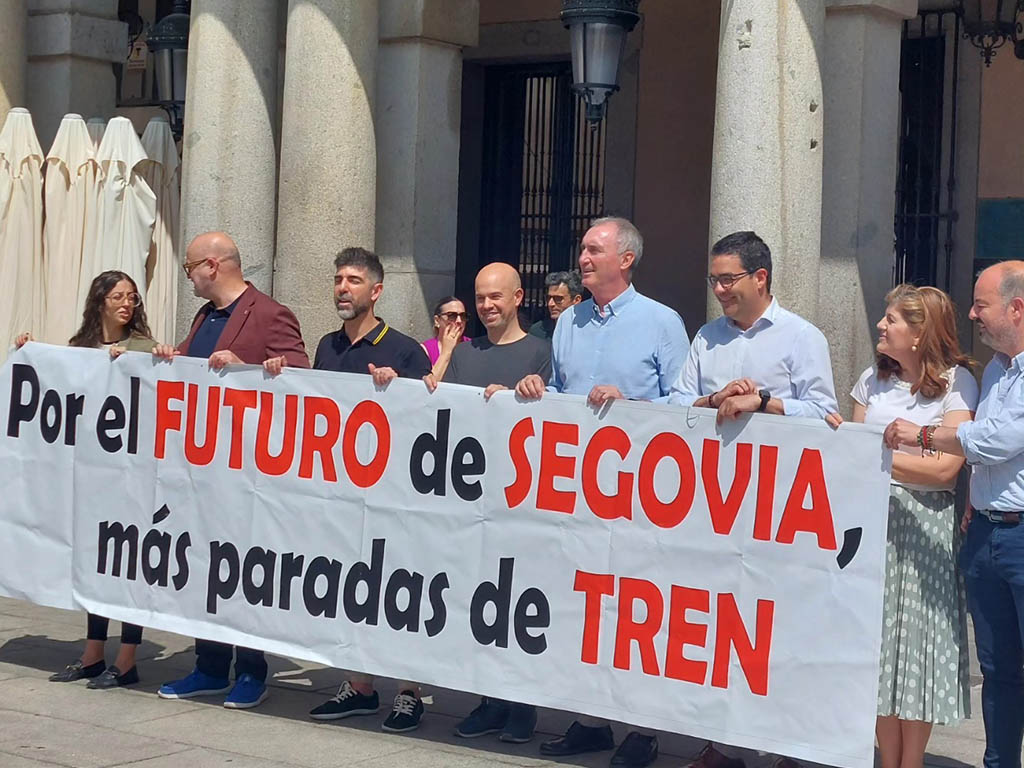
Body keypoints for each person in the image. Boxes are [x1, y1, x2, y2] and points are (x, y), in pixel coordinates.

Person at [515, 216, 689, 768]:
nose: (583, 258)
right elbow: (562, 391)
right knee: (584, 606)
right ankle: (591, 719)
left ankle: (642, 729)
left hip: (640, 496)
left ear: (626, 260)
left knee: (634, 611)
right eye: (583, 249)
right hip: (579, 492)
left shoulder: (662, 322)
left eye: (594, 249)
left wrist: (633, 406)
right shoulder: (569, 321)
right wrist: (538, 389)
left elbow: (686, 405)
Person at [668, 231, 839, 768]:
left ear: (760, 278)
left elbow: (825, 412)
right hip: (714, 504)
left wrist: (764, 402)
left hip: (778, 509)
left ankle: (787, 747)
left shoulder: (801, 337)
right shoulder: (707, 337)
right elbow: (676, 404)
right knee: (722, 627)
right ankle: (725, 743)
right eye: (714, 280)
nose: (719, 290)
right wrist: (714, 398)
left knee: (776, 627)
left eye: (728, 279)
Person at [155, 231, 309, 710]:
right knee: (205, 567)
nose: (188, 277)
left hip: (248, 473)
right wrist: (171, 358)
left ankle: (251, 669)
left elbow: (302, 377)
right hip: (203, 471)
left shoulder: (270, 313)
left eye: (190, 268)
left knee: (242, 571)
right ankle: (209, 664)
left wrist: (248, 368)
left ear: (213, 265)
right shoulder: (205, 316)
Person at [285, 247, 433, 733]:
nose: (342, 288)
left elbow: (429, 420)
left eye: (353, 280)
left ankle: (408, 692)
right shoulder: (327, 346)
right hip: (341, 494)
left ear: (377, 290)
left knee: (397, 591)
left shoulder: (404, 349)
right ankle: (360, 686)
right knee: (350, 588)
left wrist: (398, 387)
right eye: (338, 280)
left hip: (393, 496)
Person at [884, 261, 1024, 768]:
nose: (972, 314)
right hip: (986, 531)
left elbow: (996, 441)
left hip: (1021, 536)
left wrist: (923, 435)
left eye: (981, 305)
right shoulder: (998, 372)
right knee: (999, 669)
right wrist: (974, 497)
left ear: (1016, 308)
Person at [847, 285, 975, 768]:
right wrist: (880, 457)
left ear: (920, 333)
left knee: (916, 645)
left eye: (893, 319)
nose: (881, 325)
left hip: (924, 524)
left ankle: (912, 761)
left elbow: (946, 470)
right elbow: (855, 449)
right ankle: (887, 758)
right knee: (878, 645)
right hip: (874, 520)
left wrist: (882, 458)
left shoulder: (957, 383)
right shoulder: (872, 380)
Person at [423, 262, 550, 745]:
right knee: (479, 603)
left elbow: (554, 415)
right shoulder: (464, 352)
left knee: (520, 603)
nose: (486, 305)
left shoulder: (541, 352)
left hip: (520, 502)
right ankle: (489, 700)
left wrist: (524, 397)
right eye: (480, 297)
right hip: (470, 497)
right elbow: (437, 404)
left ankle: (521, 704)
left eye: (496, 296)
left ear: (517, 297)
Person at [18, 270, 157, 690]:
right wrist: (30, 353)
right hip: (94, 478)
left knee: (127, 567)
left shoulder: (143, 346)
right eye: (118, 297)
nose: (126, 304)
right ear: (100, 301)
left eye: (132, 297)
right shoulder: (81, 347)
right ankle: (93, 653)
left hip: (129, 476)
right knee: (97, 566)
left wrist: (137, 360)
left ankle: (127, 659)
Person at [421, 296, 469, 381]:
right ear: (437, 320)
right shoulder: (426, 349)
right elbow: (431, 385)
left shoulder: (472, 345)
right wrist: (447, 351)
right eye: (452, 316)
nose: (459, 321)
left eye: (463, 316)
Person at [528, 270, 583, 340]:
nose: (550, 304)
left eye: (558, 299)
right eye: (548, 298)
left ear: (576, 300)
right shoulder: (537, 332)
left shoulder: (586, 330)